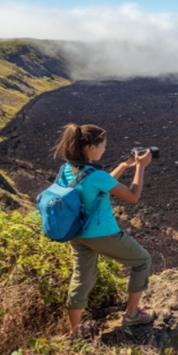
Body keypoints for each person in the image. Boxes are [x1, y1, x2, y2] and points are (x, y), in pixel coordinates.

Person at [50, 123, 154, 339]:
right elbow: (133, 196)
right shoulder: (96, 175)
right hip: (101, 233)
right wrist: (140, 167)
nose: (104, 149)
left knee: (82, 277)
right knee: (142, 260)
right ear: (90, 147)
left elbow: (96, 185)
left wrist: (123, 166)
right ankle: (132, 314)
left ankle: (76, 332)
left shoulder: (67, 169)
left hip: (76, 233)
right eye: (103, 146)